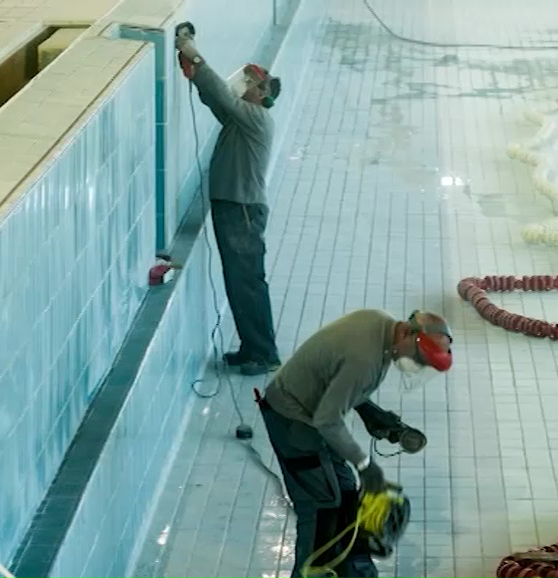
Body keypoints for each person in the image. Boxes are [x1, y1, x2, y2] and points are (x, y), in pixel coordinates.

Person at [256, 309, 454, 578]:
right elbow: (328, 420)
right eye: (418, 357)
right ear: (407, 333)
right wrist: (364, 464)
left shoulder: (378, 323)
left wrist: (368, 410)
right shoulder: (366, 361)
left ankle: (350, 571)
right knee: (320, 510)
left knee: (346, 496)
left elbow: (333, 373)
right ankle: (311, 572)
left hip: (310, 413)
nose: (415, 364)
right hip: (293, 420)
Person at [176, 31, 283, 376]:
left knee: (247, 282)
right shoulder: (243, 118)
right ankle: (253, 348)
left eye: (249, 82)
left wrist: (192, 54)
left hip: (242, 210)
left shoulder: (257, 117)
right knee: (240, 281)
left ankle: (263, 354)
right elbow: (217, 99)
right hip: (235, 208)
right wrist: (196, 77)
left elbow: (223, 96)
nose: (242, 85)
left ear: (261, 92)